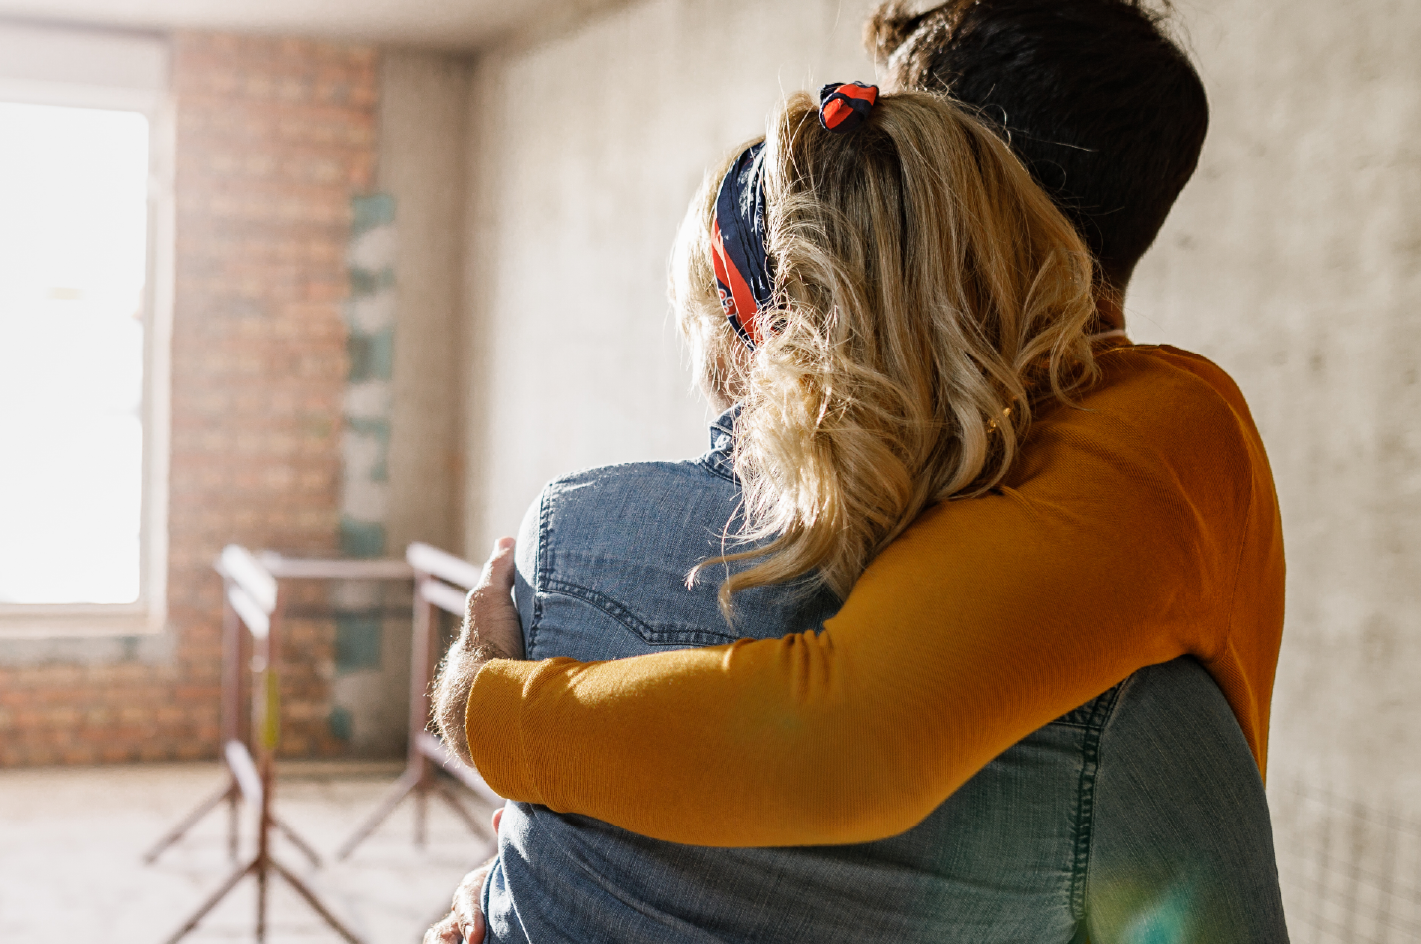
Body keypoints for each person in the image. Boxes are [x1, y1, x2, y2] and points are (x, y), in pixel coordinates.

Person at [426, 1, 1284, 941]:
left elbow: (844, 734)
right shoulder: (999, 446)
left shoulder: (1149, 439)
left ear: (964, 176)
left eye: (907, 137)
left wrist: (485, 710)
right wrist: (528, 865)